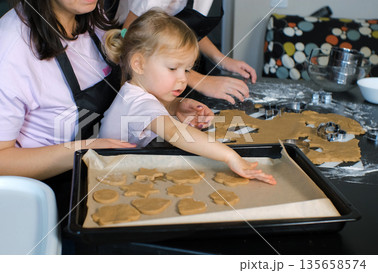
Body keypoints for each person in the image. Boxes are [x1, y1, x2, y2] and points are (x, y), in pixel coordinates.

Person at [0, 0, 214, 220]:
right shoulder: (5, 53)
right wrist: (84, 149)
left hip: (103, 170)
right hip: (54, 198)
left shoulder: (89, 17)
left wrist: (169, 106)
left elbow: (127, 91)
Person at [100, 9, 276, 184]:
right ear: (139, 64)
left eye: (186, 70)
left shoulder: (135, 92)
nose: (183, 79)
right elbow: (175, 132)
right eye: (172, 69)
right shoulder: (138, 102)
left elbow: (151, 111)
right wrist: (230, 157)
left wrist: (176, 106)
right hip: (107, 177)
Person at [113, 0, 258, 104]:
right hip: (132, 71)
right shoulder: (138, 101)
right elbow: (130, 38)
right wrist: (199, 80)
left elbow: (181, 31)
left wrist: (222, 60)